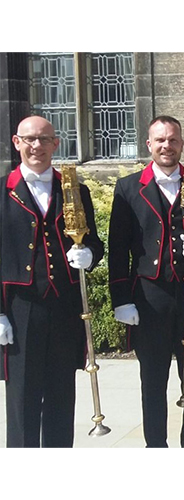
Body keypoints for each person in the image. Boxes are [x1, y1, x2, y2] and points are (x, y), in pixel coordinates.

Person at [109, 115, 184, 448]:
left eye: (173, 140)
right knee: (153, 380)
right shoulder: (129, 187)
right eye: (160, 140)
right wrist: (121, 298)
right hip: (149, 297)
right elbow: (119, 248)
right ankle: (156, 448)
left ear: (181, 144)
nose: (166, 146)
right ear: (149, 144)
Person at [0, 116, 104, 447]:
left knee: (61, 399)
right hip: (20, 311)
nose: (37, 146)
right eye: (29, 139)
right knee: (23, 402)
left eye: (44, 140)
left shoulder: (75, 190)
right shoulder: (2, 192)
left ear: (55, 144)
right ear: (17, 143)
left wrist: (89, 255)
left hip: (65, 308)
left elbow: (95, 243)